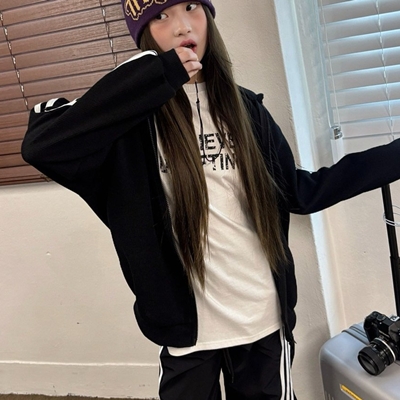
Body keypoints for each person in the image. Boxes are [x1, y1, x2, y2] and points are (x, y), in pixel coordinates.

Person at [21, 1, 400, 399]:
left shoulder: (246, 109)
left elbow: (300, 193)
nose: (182, 26)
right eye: (160, 16)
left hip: (261, 320)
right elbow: (42, 146)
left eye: (190, 7)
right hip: (187, 331)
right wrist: (153, 76)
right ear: (144, 35)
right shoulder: (127, 124)